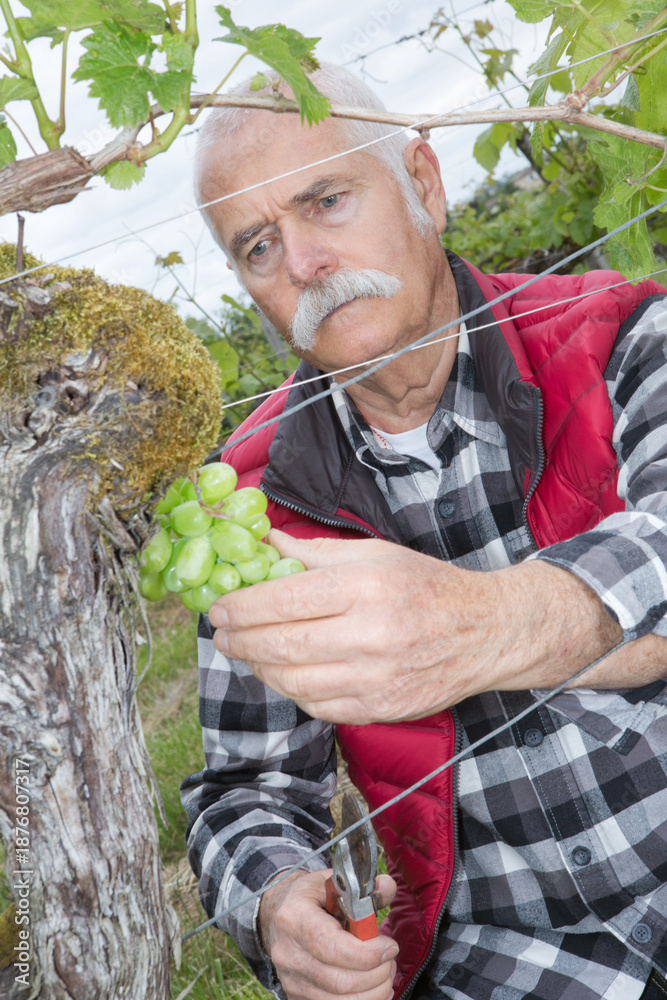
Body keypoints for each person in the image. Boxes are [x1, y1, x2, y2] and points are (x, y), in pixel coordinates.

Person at [181, 63, 667, 1000]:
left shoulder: (621, 336)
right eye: (257, 246)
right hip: (512, 956)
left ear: (424, 186)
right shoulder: (246, 507)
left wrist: (488, 623)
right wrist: (277, 899)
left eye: (326, 200)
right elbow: (245, 790)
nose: (304, 263)